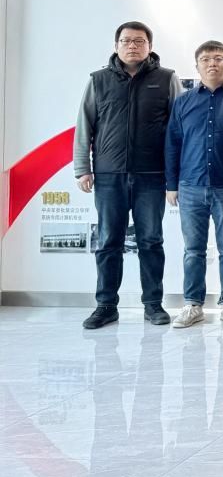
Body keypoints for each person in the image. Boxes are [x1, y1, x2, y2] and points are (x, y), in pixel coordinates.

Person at [75, 21, 182, 330]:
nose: (132, 45)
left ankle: (153, 305)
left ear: (150, 46)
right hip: (109, 175)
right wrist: (82, 168)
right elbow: (85, 125)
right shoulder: (98, 80)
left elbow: (178, 130)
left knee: (151, 240)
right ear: (116, 45)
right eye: (126, 40)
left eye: (139, 41)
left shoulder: (167, 79)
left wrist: (174, 175)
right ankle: (106, 306)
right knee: (109, 241)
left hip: (152, 175)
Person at [165, 40, 223, 329]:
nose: (212, 63)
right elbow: (173, 143)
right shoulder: (183, 102)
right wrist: (171, 184)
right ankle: (193, 304)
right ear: (197, 66)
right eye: (205, 59)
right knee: (193, 249)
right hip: (190, 185)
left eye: (218, 58)